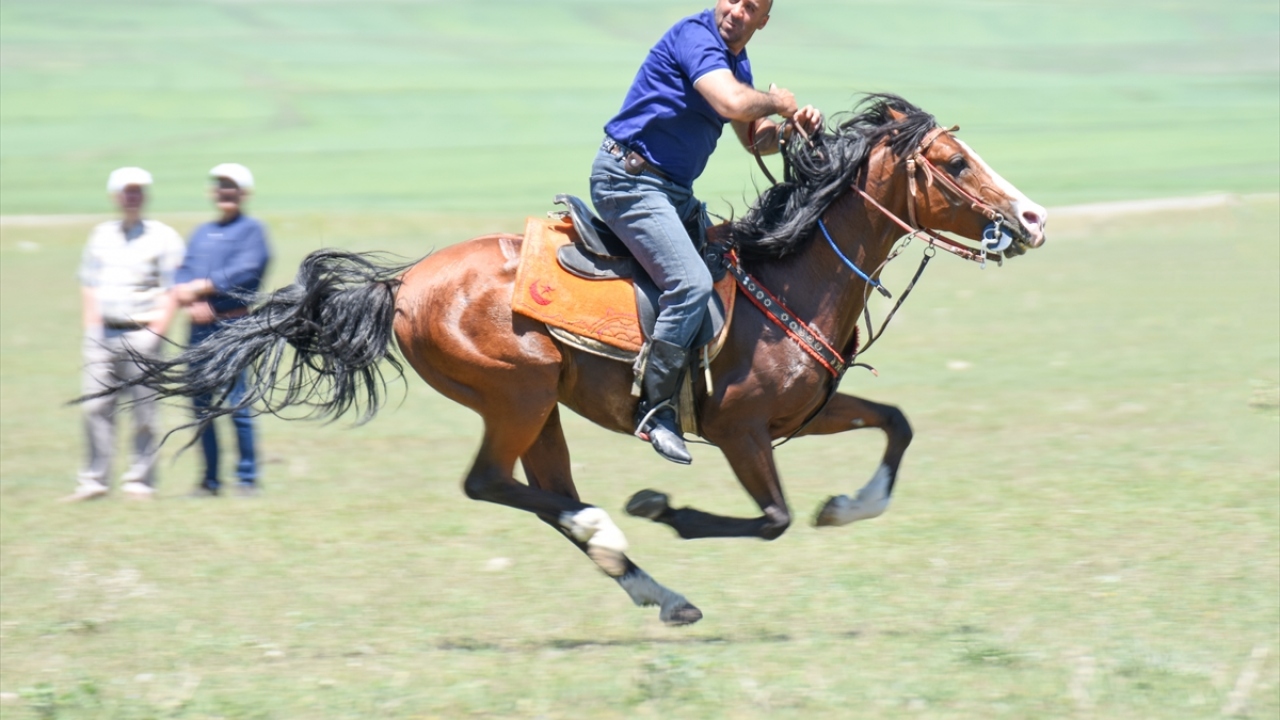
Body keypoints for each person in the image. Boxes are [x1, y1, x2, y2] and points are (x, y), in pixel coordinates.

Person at [590, 0, 823, 464]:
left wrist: (792, 130)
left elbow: (755, 137)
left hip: (671, 192)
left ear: (763, 20)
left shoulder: (736, 61)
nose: (736, 9)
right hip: (628, 182)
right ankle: (654, 410)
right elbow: (731, 103)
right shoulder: (697, 37)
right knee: (692, 284)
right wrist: (778, 101)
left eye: (750, 6)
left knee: (732, 261)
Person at [68, 167, 186, 502]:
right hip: (102, 334)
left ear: (144, 197)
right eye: (127, 191)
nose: (132, 196)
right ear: (115, 196)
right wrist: (91, 325)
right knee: (95, 407)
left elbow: (171, 288)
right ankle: (94, 481)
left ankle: (140, 481)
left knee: (144, 411)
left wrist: (157, 332)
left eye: (138, 191)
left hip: (143, 334)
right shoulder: (101, 235)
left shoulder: (163, 237)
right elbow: (89, 283)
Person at [173, 163, 271, 497]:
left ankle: (247, 479)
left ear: (243, 194)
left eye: (231, 187)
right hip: (198, 330)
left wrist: (202, 288)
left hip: (233, 327)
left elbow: (247, 273)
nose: (225, 192)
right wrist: (187, 299)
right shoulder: (201, 233)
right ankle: (209, 480)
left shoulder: (252, 231)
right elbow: (181, 271)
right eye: (220, 186)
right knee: (201, 407)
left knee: (236, 404)